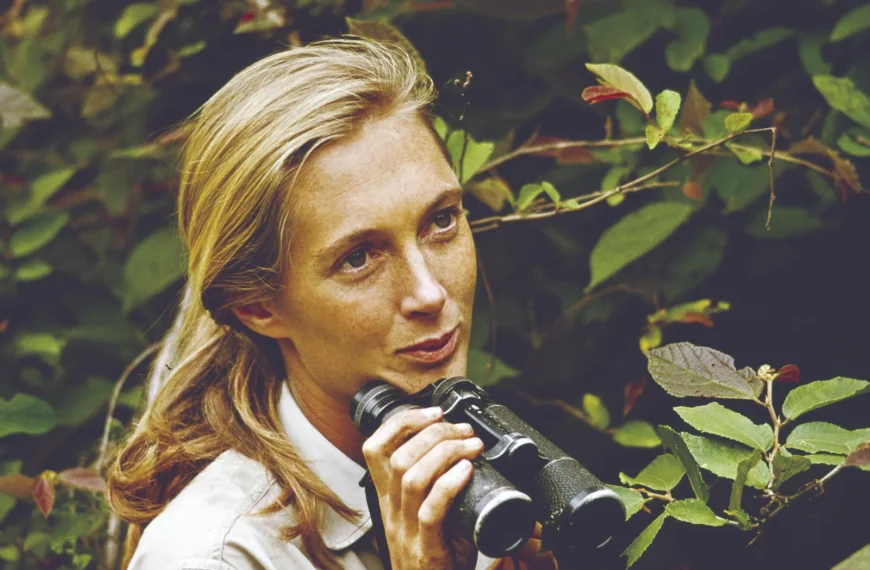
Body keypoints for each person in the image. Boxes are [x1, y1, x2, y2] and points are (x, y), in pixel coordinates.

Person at [106, 37, 557, 570]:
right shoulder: (213, 554)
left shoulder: (479, 479)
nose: (429, 293)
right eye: (359, 258)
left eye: (441, 220)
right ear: (258, 306)